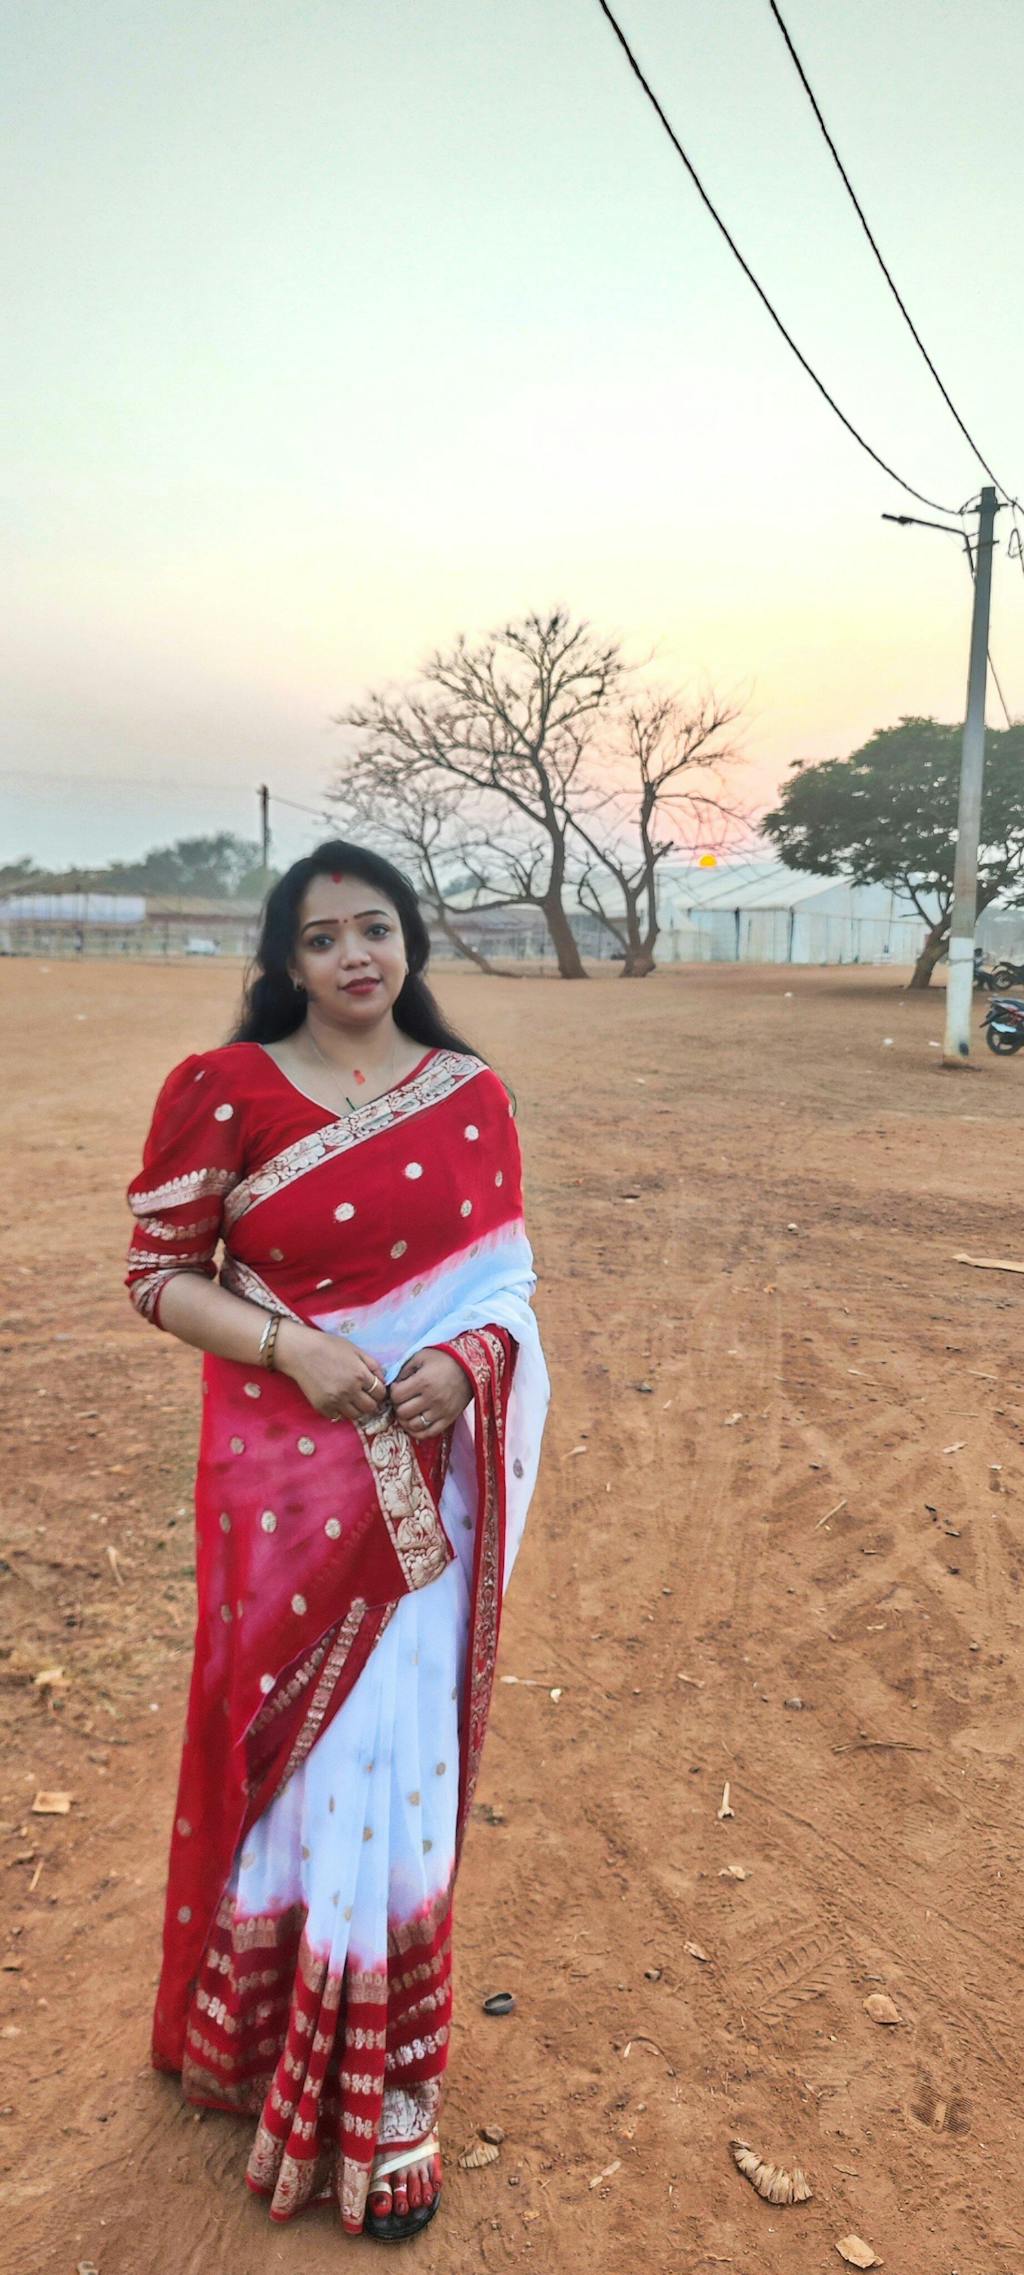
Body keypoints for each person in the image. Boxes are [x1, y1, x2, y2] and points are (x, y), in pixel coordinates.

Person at [125, 840, 549, 2242]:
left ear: (409, 940)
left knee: (392, 1749)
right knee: (293, 1751)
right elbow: (160, 1277)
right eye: (323, 938)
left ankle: (391, 2085)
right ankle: (260, 2041)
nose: (356, 955)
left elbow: (508, 1284)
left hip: (428, 1486)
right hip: (284, 1489)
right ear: (285, 961)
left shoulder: (471, 1094)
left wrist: (471, 1362)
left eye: (376, 928)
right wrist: (292, 1347)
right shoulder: (224, 1089)